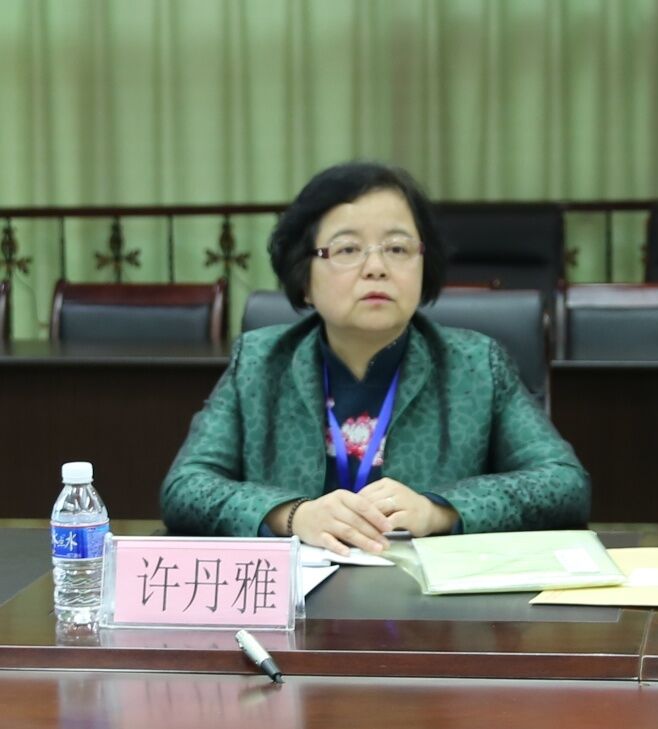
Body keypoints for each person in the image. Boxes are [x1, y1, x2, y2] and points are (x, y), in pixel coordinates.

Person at [161, 161, 590, 555]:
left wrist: (439, 511)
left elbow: (564, 483)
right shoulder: (259, 363)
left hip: (427, 600)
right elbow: (185, 487)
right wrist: (293, 516)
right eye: (348, 249)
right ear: (304, 279)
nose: (376, 267)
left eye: (398, 249)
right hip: (301, 599)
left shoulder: (476, 365)